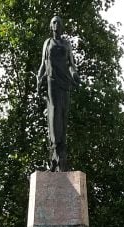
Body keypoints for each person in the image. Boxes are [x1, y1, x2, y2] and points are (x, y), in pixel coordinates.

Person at [37, 15, 80, 172]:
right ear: (51, 26)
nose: (56, 24)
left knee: (63, 114)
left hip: (65, 82)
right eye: (54, 22)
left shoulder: (66, 44)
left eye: (59, 22)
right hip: (52, 81)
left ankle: (62, 154)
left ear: (62, 26)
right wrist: (39, 77)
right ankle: (55, 150)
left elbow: (71, 65)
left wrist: (75, 74)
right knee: (54, 112)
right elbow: (43, 63)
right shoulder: (47, 43)